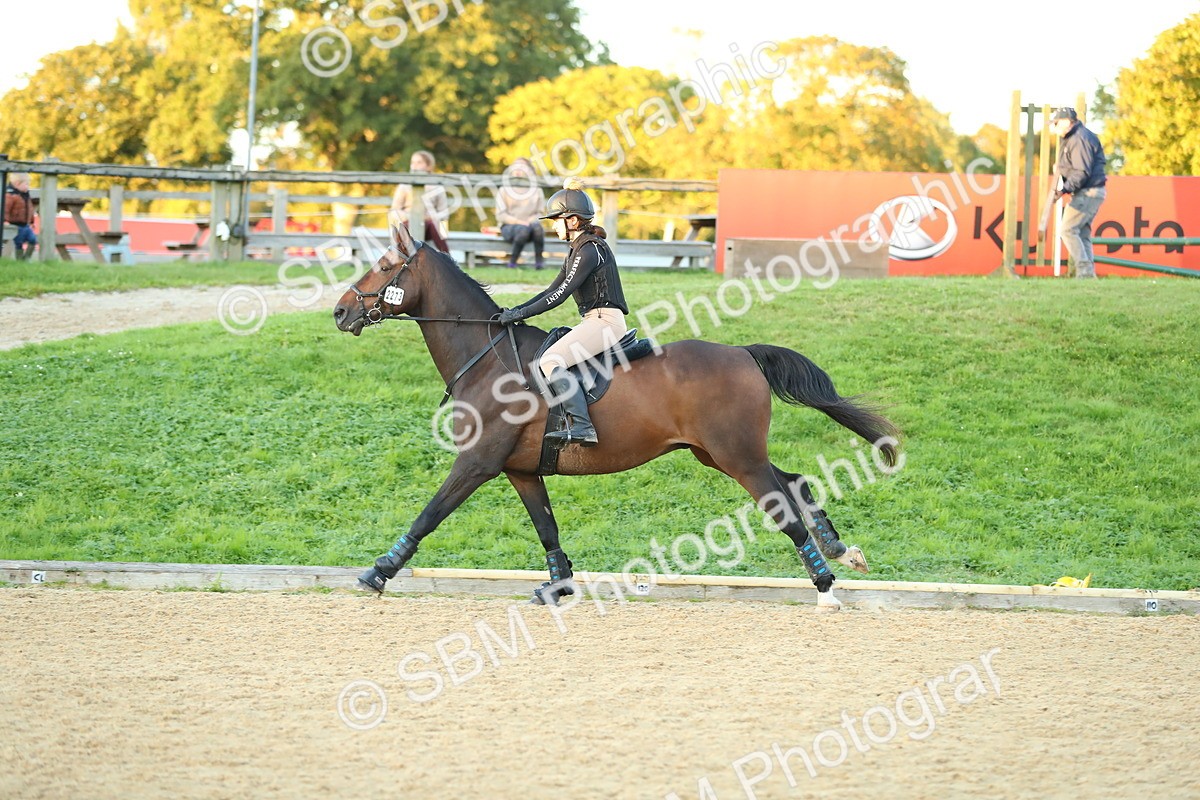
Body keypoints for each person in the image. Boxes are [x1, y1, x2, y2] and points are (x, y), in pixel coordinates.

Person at [497, 178, 629, 448]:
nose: (553, 225)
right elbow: (549, 290)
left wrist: (521, 314)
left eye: (556, 219)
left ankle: (583, 426)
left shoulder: (589, 249)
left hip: (606, 322)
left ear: (573, 220)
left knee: (550, 360)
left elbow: (560, 295)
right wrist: (516, 311)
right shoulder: (577, 250)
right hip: (596, 320)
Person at [1050, 107, 1107, 279]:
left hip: (1088, 192)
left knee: (1067, 230)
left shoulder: (1079, 139)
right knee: (1082, 233)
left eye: (1056, 123)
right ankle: (1088, 275)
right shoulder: (1077, 137)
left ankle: (1085, 272)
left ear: (1067, 122)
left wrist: (1064, 190)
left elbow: (1082, 171)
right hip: (1093, 191)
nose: (1054, 127)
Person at [391, 150, 449, 253]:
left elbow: (444, 213)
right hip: (408, 224)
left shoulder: (437, 186)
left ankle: (447, 258)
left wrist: (431, 217)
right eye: (413, 162)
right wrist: (412, 217)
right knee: (406, 228)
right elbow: (395, 210)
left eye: (419, 162)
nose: (414, 166)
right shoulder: (404, 185)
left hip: (431, 226)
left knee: (433, 225)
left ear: (428, 165)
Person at [495, 158, 546, 269]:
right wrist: (519, 222)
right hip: (510, 227)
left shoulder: (537, 190)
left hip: (531, 226)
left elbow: (540, 213)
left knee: (538, 229)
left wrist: (529, 221)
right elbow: (501, 215)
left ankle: (539, 263)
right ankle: (512, 263)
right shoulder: (504, 189)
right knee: (523, 230)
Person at [4, 173, 38, 260]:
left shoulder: (26, 195)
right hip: (15, 225)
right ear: (17, 184)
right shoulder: (10, 195)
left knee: (33, 239)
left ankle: (26, 258)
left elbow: (30, 209)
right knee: (18, 243)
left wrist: (31, 221)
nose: (28, 186)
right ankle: (19, 259)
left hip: (25, 225)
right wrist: (5, 220)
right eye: (26, 184)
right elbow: (5, 209)